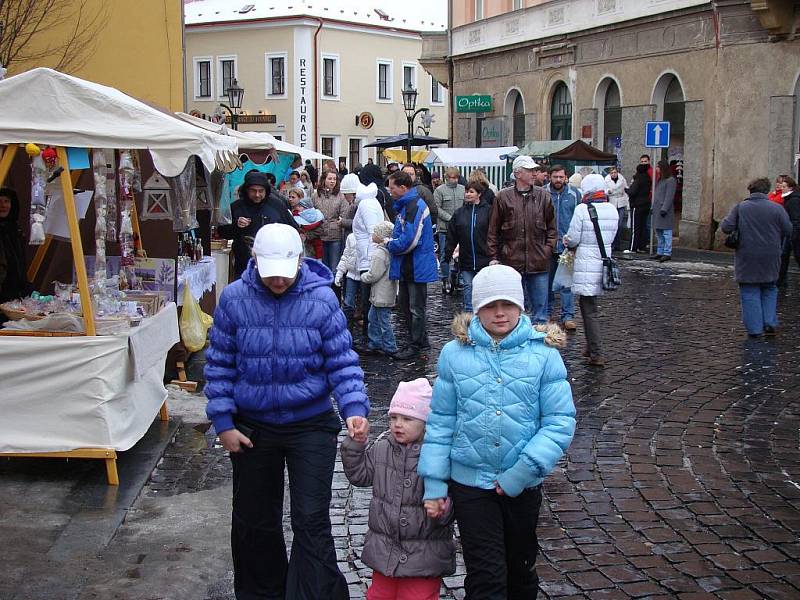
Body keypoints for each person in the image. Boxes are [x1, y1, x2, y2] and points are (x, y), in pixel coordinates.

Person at [205, 223, 369, 600]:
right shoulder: (233, 299)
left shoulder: (322, 299)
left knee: (311, 519)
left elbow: (341, 361)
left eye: (284, 273)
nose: (278, 282)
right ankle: (263, 594)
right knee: (255, 520)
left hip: (310, 425)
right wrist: (224, 422)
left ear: (299, 261)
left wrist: (354, 407)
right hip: (253, 427)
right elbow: (219, 365)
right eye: (270, 274)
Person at [419, 264, 576, 600]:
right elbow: (441, 420)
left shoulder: (544, 355)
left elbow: (559, 422)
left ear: (521, 306)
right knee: (486, 576)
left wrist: (522, 472)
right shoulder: (454, 355)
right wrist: (434, 482)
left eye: (507, 304)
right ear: (477, 309)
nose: (500, 313)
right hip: (470, 484)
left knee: (519, 569)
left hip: (521, 484)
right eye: (490, 306)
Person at [341, 378, 456, 600]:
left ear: (425, 422)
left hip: (424, 556)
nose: (397, 424)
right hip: (385, 551)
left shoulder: (439, 456)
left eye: (407, 418)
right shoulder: (382, 448)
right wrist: (356, 445)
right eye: (393, 418)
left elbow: (454, 501)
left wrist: (442, 507)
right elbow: (360, 475)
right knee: (378, 596)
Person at [488, 155, 556, 324]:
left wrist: (547, 250)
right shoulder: (503, 197)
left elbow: (552, 229)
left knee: (541, 312)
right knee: (514, 309)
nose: (534, 173)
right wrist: (494, 256)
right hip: (511, 261)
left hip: (538, 262)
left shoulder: (544, 196)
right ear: (518, 173)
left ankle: (539, 347)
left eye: (535, 170)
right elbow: (493, 230)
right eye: (530, 170)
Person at [721, 178, 792, 337]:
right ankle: (769, 322)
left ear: (750, 190)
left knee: (749, 289)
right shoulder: (777, 209)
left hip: (747, 255)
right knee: (770, 287)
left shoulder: (741, 207)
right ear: (766, 191)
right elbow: (788, 229)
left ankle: (754, 329)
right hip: (771, 255)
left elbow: (726, 227)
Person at [564, 174, 619, 367]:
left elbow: (572, 238)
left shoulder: (582, 209)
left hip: (586, 263)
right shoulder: (612, 209)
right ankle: (590, 347)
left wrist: (567, 241)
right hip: (603, 262)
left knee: (589, 309)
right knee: (589, 306)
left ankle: (596, 352)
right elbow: (612, 236)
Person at [385, 170, 438, 360]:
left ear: (403, 187)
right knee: (406, 305)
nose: (389, 191)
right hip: (410, 265)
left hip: (415, 265)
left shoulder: (414, 206)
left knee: (415, 307)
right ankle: (419, 340)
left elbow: (409, 240)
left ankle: (416, 344)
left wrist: (388, 243)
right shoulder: (406, 205)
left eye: (392, 187)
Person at [217, 171, 297, 278]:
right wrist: (236, 225)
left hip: (273, 263)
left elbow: (293, 229)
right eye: (253, 191)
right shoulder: (236, 207)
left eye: (261, 191)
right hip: (244, 264)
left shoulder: (277, 206)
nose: (257, 195)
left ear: (266, 190)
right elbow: (222, 231)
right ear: (246, 190)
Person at [445, 181, 491, 312]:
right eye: (466, 191)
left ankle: (483, 314)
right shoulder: (459, 213)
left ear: (479, 194)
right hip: (466, 258)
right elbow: (452, 235)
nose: (468, 194)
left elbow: (494, 234)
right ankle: (469, 315)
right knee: (468, 287)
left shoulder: (488, 211)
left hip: (484, 258)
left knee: (483, 289)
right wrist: (447, 254)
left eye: (471, 192)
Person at [544, 165, 580, 331]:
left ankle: (568, 316)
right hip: (547, 245)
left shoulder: (574, 194)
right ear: (550, 177)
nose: (558, 180)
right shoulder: (543, 193)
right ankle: (547, 314)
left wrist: (575, 242)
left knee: (567, 283)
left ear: (566, 177)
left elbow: (579, 218)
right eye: (555, 177)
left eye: (561, 177)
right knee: (547, 282)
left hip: (567, 246)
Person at [357, 221, 399, 357]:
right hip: (383, 293)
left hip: (381, 293)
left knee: (383, 321)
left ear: (380, 236)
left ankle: (389, 346)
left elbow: (374, 274)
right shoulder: (388, 251)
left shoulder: (379, 254)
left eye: (375, 232)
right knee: (373, 318)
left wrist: (363, 276)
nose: (372, 234)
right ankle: (375, 342)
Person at [352, 182, 387, 336]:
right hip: (367, 257)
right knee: (369, 299)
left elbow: (374, 234)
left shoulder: (366, 205)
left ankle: (370, 336)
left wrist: (371, 261)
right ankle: (371, 334)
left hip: (368, 259)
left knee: (368, 299)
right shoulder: (371, 203)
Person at [433, 167, 465, 284]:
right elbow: (436, 208)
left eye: (456, 177)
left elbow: (466, 205)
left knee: (462, 254)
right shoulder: (439, 190)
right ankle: (445, 278)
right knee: (445, 255)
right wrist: (450, 219)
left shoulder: (463, 189)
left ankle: (460, 277)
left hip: (461, 228)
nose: (454, 180)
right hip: (444, 228)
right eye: (452, 178)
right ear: (446, 178)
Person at [0, 187, 31, 307]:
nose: (2, 205)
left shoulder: (15, 230)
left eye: (6, 201)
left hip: (15, 291)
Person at [313, 170, 349, 273]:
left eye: (334, 179)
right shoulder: (316, 195)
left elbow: (344, 214)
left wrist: (338, 223)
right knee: (322, 267)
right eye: (330, 179)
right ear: (324, 180)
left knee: (334, 267)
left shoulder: (340, 196)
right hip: (319, 235)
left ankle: (334, 287)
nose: (332, 181)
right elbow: (312, 213)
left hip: (335, 236)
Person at [651, 159, 677, 262]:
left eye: (658, 167)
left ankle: (667, 252)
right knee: (659, 233)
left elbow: (669, 196)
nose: (656, 169)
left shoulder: (670, 180)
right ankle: (660, 251)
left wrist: (664, 209)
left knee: (666, 233)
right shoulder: (660, 180)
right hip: (658, 209)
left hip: (665, 211)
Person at [289, 188, 324, 259]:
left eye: (293, 197)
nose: (290, 199)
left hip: (310, 248)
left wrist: (306, 235)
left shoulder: (310, 214)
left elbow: (320, 230)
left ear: (300, 198)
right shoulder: (289, 210)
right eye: (289, 197)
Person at [334, 232, 361, 320]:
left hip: (365, 275)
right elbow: (345, 256)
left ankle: (367, 331)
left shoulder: (372, 237)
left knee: (366, 303)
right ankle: (346, 328)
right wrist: (339, 273)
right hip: (351, 274)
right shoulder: (351, 237)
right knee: (348, 303)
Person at [626, 163, 652, 254]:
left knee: (635, 228)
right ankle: (642, 247)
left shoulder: (638, 179)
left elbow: (632, 192)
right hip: (646, 205)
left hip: (637, 205)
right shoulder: (648, 179)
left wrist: (626, 190)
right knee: (643, 227)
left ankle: (633, 248)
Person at [780, 175, 800, 284]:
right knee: (784, 255)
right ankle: (781, 279)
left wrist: (793, 235)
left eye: (784, 186)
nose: (781, 188)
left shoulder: (793, 200)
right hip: (790, 231)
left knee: (793, 255)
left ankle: (781, 279)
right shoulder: (789, 198)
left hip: (793, 233)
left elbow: (795, 219)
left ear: (790, 188)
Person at [605, 165, 629, 251]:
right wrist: (608, 191)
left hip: (621, 202)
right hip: (612, 202)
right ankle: (613, 243)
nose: (614, 174)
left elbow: (626, 188)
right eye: (612, 173)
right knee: (613, 224)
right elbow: (604, 190)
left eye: (615, 172)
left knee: (620, 224)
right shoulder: (606, 180)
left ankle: (618, 243)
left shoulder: (622, 179)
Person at [339, 173, 361, 241]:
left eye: (345, 194)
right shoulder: (354, 203)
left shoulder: (358, 205)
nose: (344, 197)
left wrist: (342, 222)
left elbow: (358, 223)